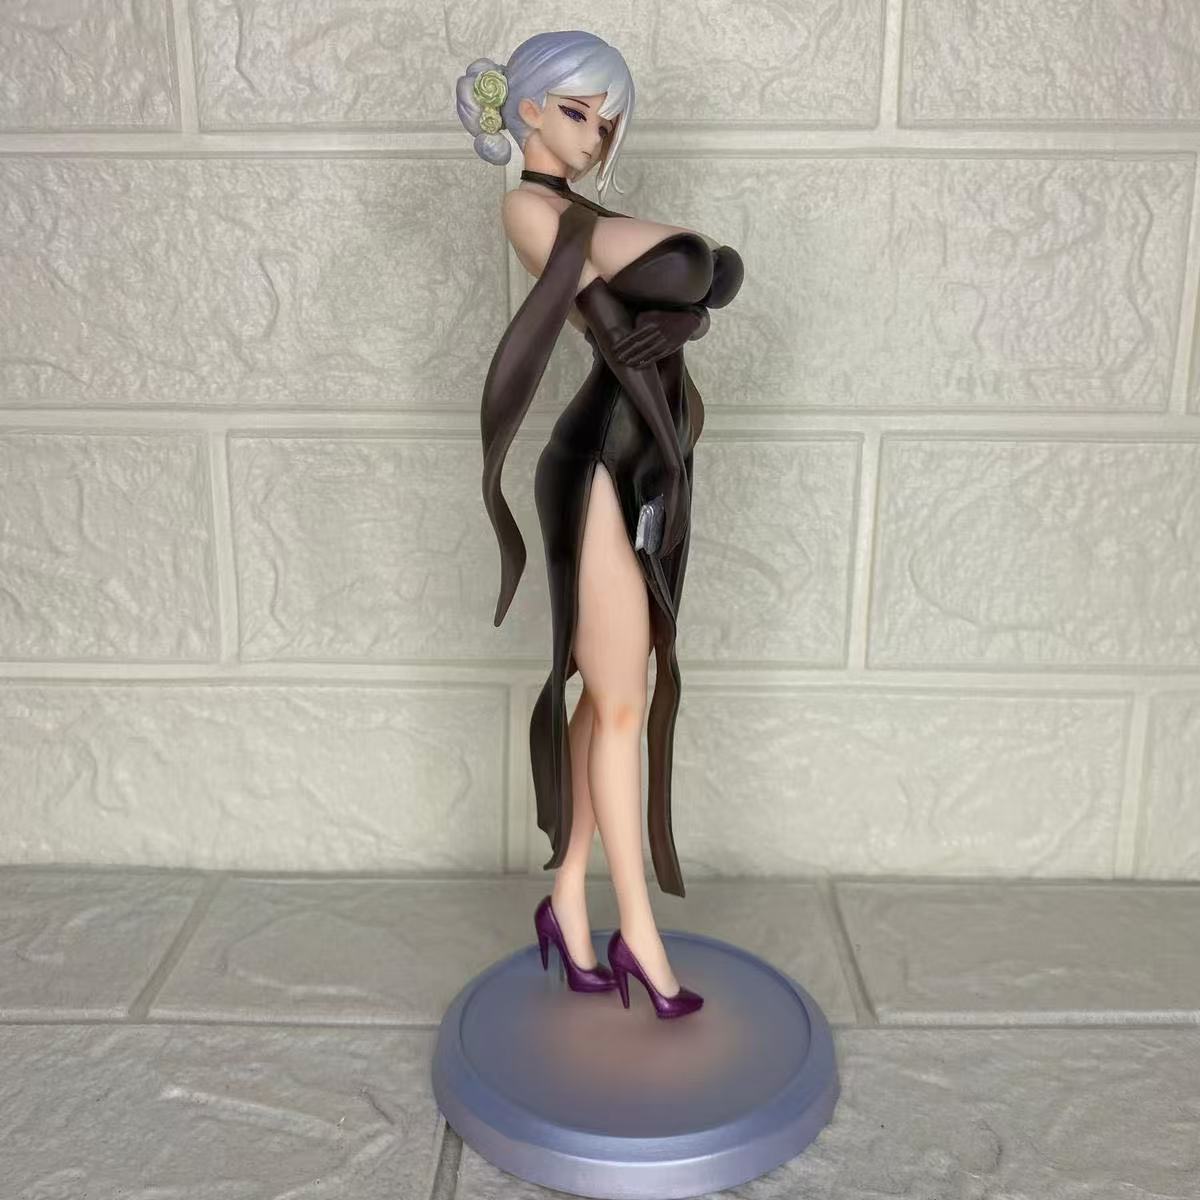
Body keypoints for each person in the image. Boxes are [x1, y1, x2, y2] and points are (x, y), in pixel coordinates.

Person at [456, 30, 744, 1019]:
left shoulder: (585, 216)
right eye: (578, 113)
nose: (592, 139)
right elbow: (679, 280)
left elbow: (705, 280)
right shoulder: (531, 208)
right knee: (624, 703)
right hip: (595, 469)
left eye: (607, 123)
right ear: (527, 108)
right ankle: (638, 936)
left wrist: (692, 307)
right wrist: (692, 303)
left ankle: (568, 908)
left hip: (638, 459)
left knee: (607, 696)